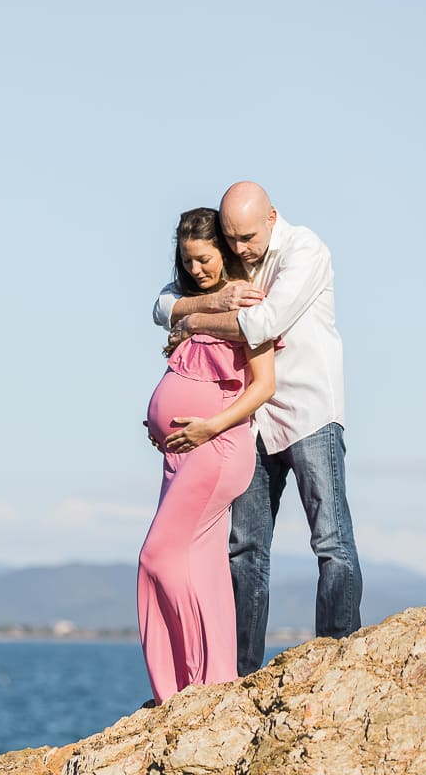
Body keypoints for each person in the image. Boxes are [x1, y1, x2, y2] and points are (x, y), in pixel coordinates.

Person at [153, 181, 363, 677]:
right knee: (245, 548)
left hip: (309, 411)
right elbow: (163, 305)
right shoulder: (233, 256)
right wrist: (201, 306)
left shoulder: (305, 250)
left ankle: (338, 658)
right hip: (253, 424)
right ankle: (239, 670)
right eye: (232, 239)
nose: (240, 249)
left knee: (330, 540)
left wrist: (192, 325)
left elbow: (261, 323)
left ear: (271, 217)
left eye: (247, 237)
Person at [140, 207, 275, 704]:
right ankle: (214, 679)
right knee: (206, 567)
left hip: (215, 446)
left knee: (157, 556)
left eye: (204, 259)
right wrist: (161, 415)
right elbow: (165, 316)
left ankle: (184, 685)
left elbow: (264, 385)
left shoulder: (248, 302)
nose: (195, 269)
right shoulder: (189, 304)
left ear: (223, 251)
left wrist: (208, 425)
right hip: (181, 452)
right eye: (187, 261)